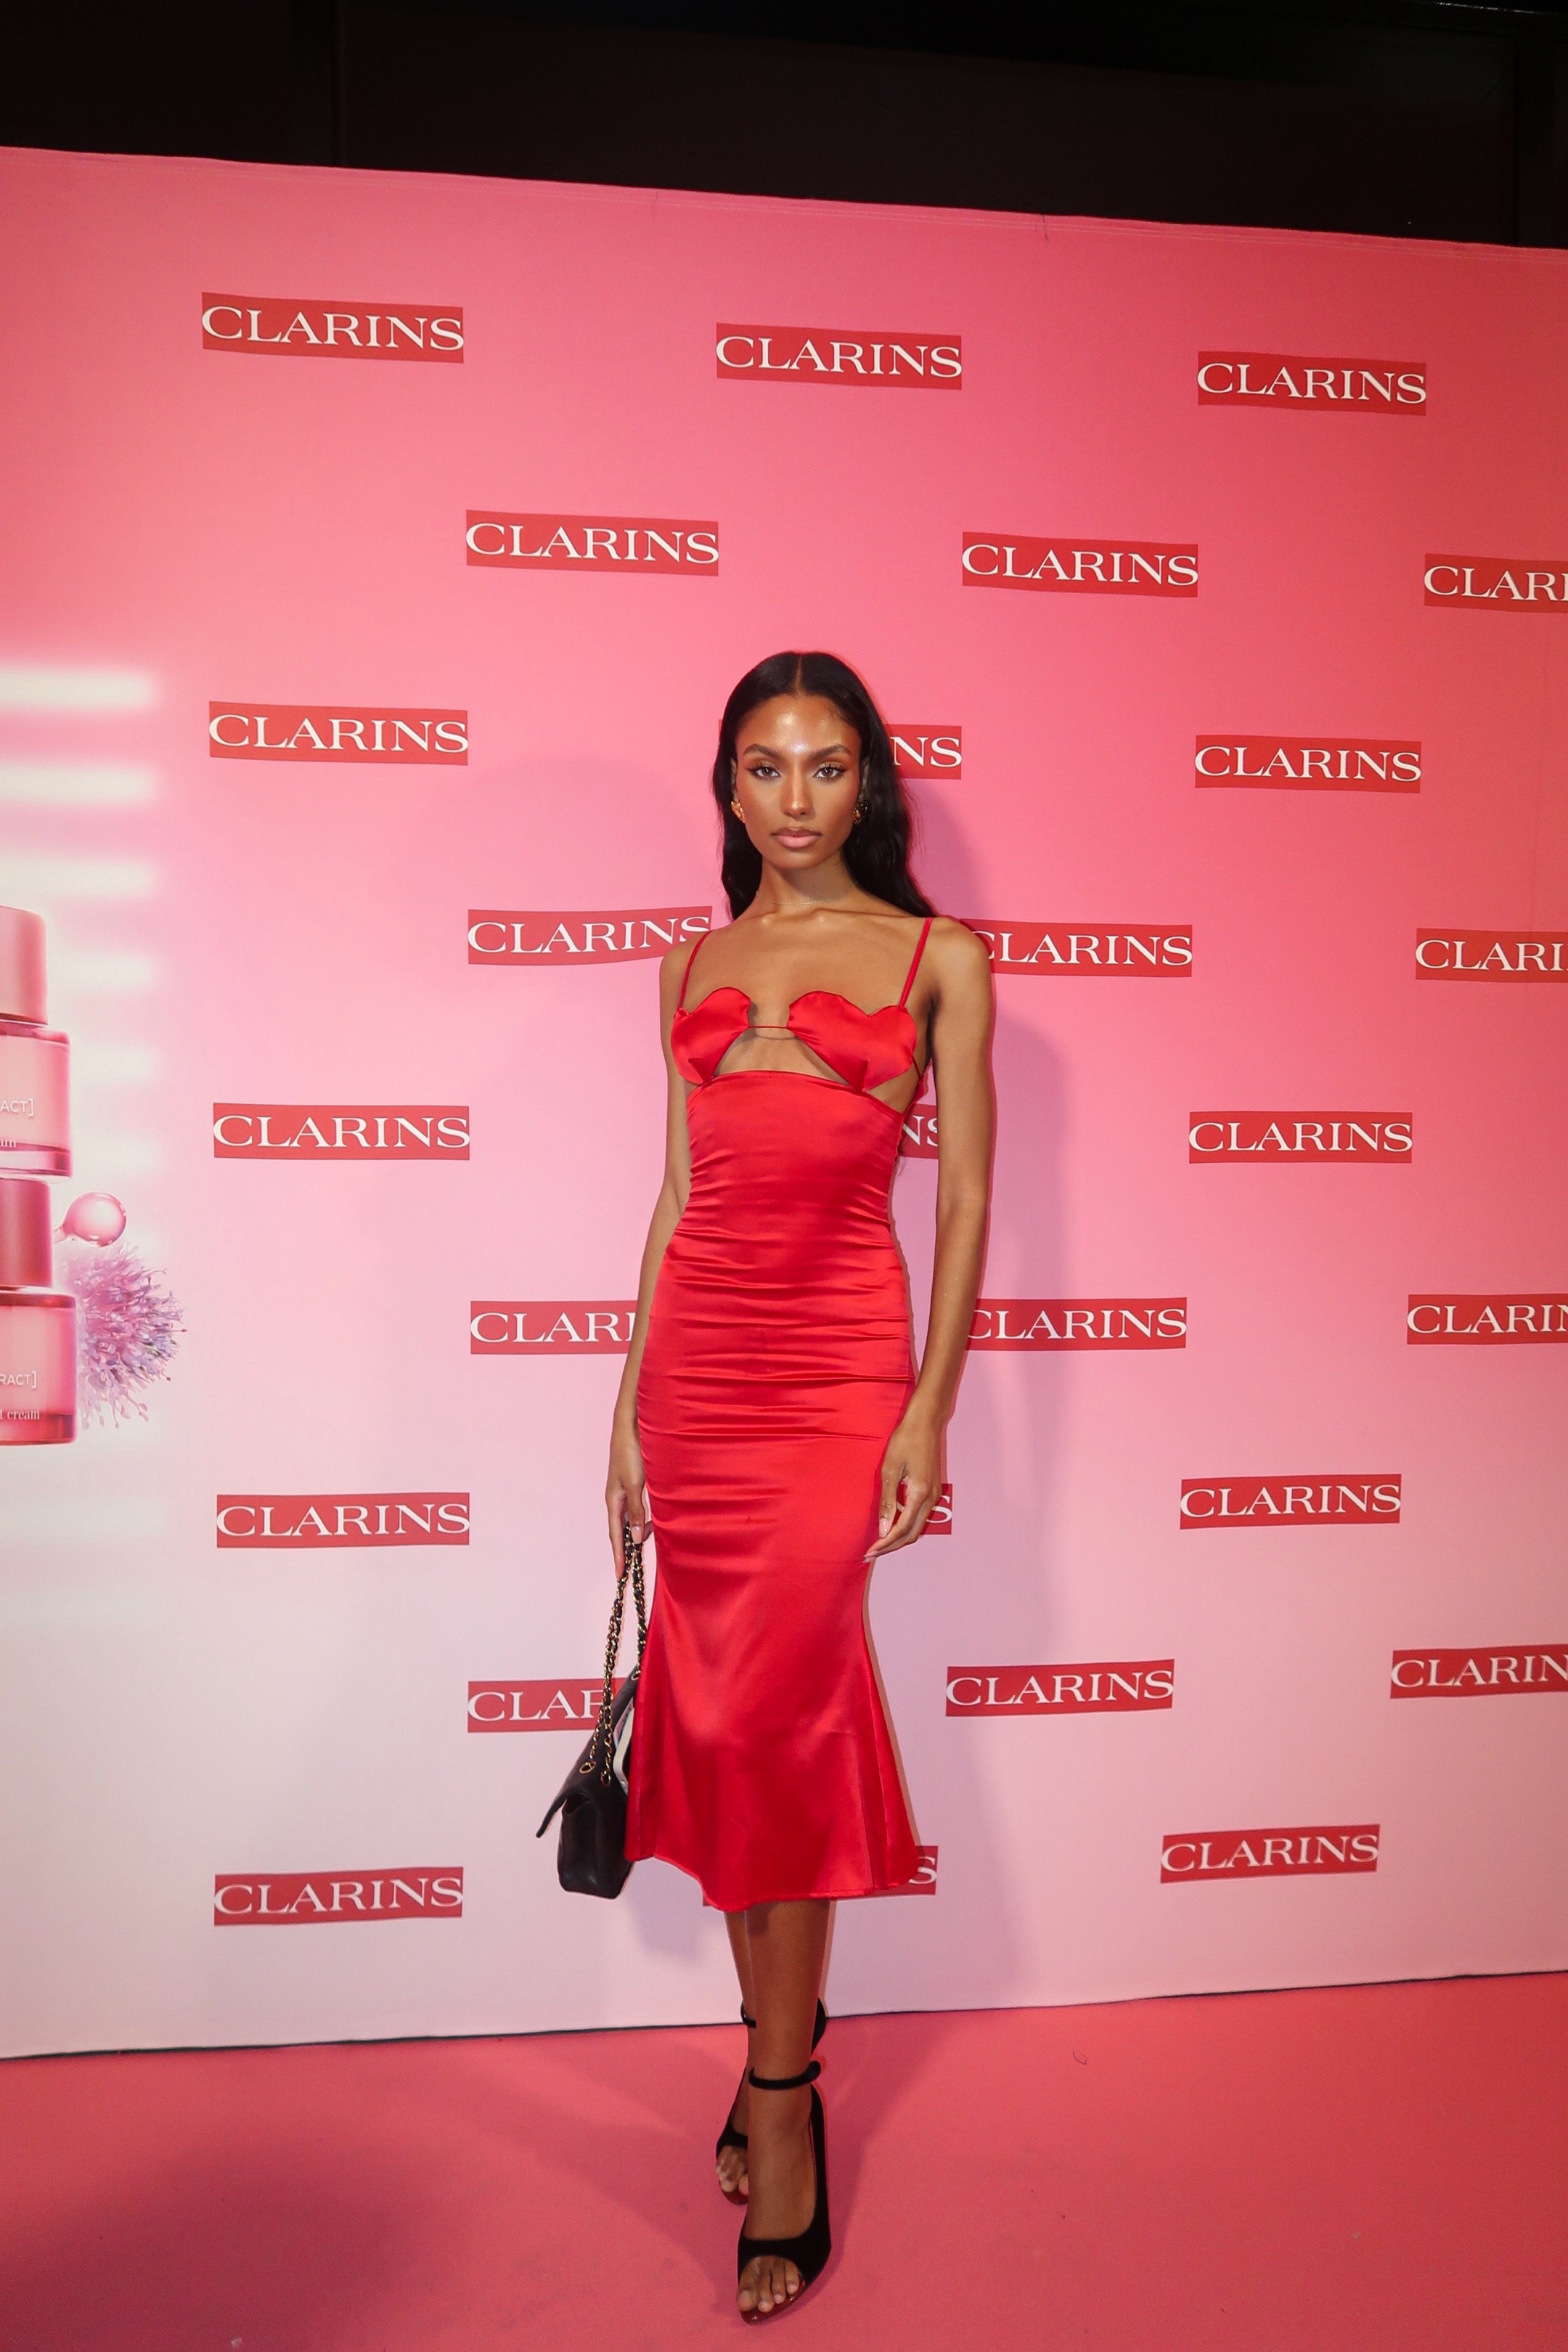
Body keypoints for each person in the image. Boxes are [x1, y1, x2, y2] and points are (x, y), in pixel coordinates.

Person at [606, 650, 995, 2320]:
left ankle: (780, 2101)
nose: (793, 798)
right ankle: (784, 2054)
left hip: (839, 1375)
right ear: (728, 786)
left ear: (869, 784)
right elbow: (674, 1198)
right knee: (723, 1724)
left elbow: (964, 1206)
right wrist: (627, 1412)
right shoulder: (688, 964)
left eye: (825, 766)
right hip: (699, 1380)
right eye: (763, 767)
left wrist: (928, 1411)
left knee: (783, 1720)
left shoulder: (938, 957)